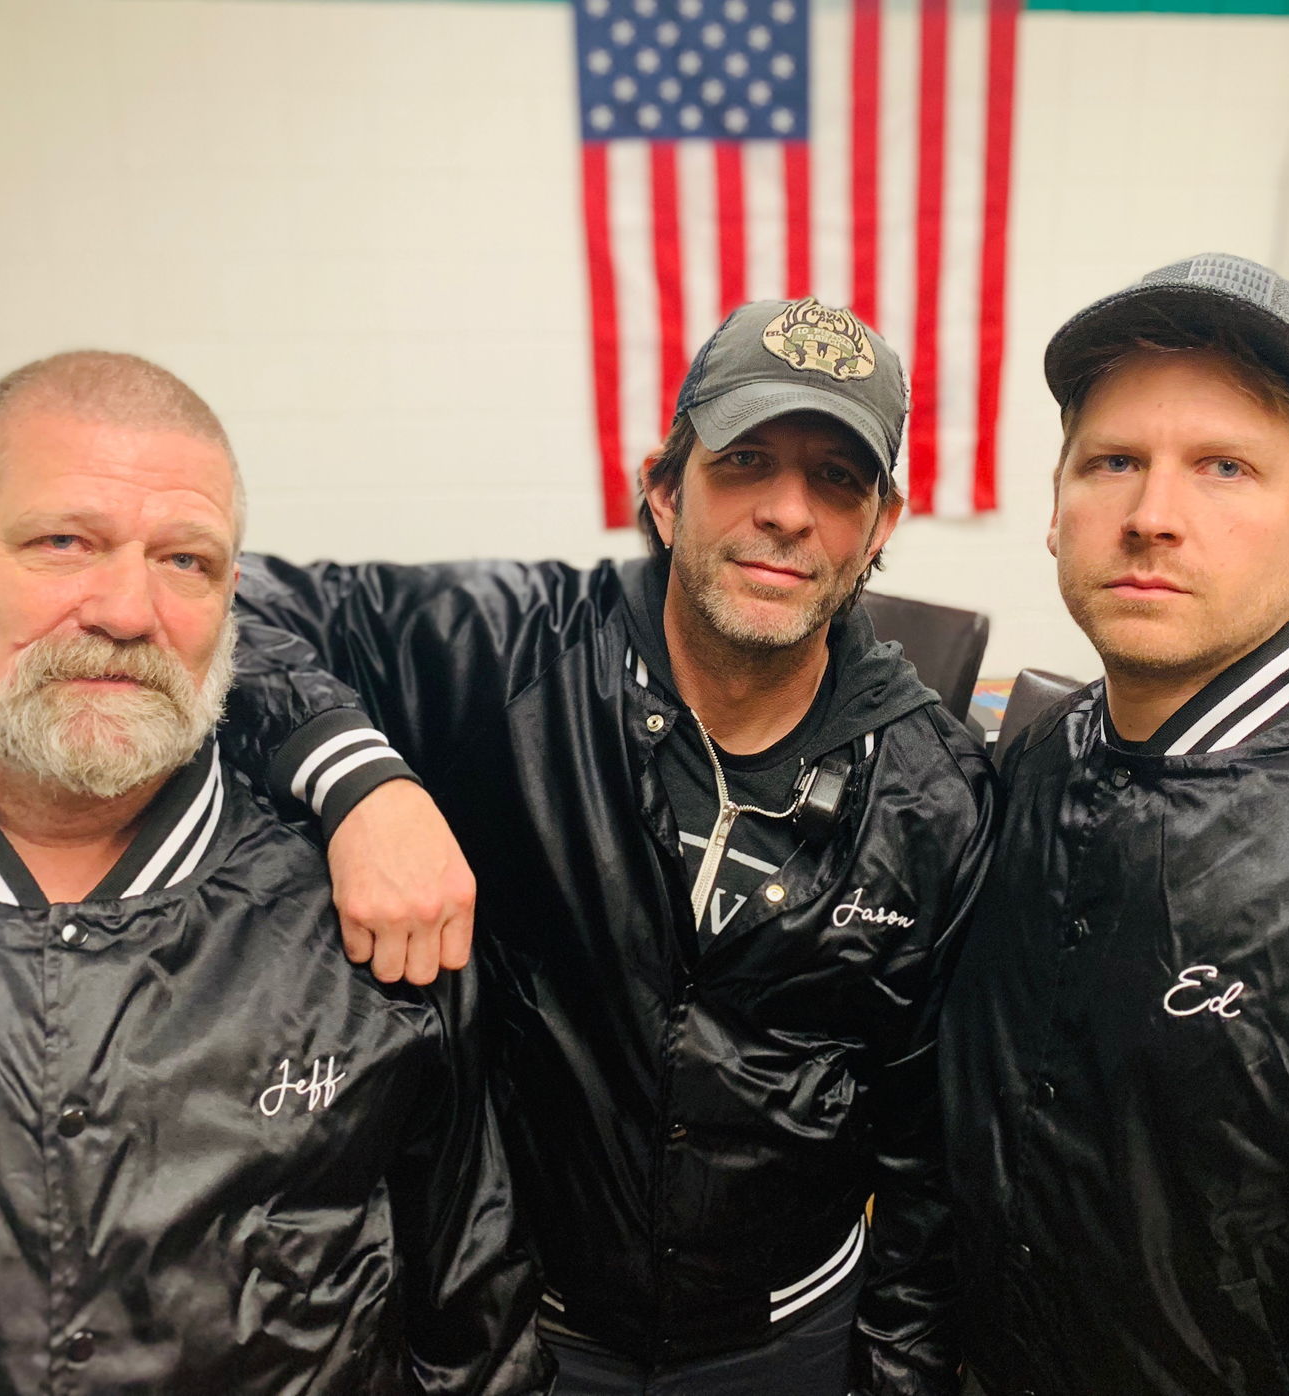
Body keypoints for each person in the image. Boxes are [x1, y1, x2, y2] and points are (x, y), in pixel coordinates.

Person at [210, 299, 990, 1394]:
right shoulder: (506, 652)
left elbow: (929, 1158)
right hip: (530, 1332)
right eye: (746, 461)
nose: (786, 511)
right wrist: (359, 778)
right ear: (664, 491)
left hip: (791, 1341)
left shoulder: (939, 795)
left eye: (836, 480)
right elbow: (216, 598)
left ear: (880, 524)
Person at [0, 349, 539, 1395]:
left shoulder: (368, 920)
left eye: (185, 562)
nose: (126, 611)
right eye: (62, 541)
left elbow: (474, 1327)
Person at [927, 253, 1289, 1393]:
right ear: (1053, 513)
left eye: (1223, 467)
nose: (1151, 516)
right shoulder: (1036, 756)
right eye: (1112, 463)